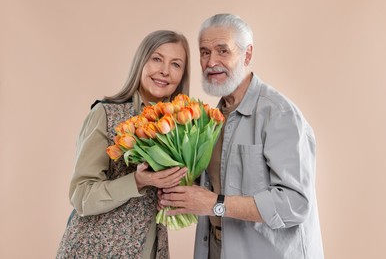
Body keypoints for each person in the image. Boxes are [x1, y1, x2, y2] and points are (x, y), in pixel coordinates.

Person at [159, 14, 324, 259]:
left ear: (247, 55)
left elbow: (295, 203)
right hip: (215, 248)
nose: (211, 61)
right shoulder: (210, 119)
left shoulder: (279, 114)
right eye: (204, 52)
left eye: (222, 51)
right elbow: (216, 184)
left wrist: (215, 203)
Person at [56, 30, 191, 258]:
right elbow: (81, 195)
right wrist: (137, 181)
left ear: (182, 76)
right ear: (141, 62)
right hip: (94, 250)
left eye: (176, 64)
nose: (165, 71)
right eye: (157, 59)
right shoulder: (106, 114)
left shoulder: (185, 131)